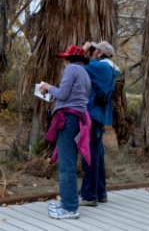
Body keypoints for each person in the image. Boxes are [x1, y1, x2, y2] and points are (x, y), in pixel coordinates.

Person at [40, 45, 91, 219]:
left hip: (68, 119)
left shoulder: (70, 70)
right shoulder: (85, 72)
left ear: (68, 59)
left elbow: (62, 94)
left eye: (65, 58)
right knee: (69, 163)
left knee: (66, 165)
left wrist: (48, 87)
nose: (63, 62)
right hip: (78, 119)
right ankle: (67, 203)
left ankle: (69, 208)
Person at [80, 40, 119, 206]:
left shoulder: (100, 66)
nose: (92, 52)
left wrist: (83, 49)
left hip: (92, 113)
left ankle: (89, 196)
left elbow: (77, 68)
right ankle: (100, 192)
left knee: (90, 154)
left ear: (100, 53)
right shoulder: (110, 68)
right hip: (100, 115)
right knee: (98, 154)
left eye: (95, 50)